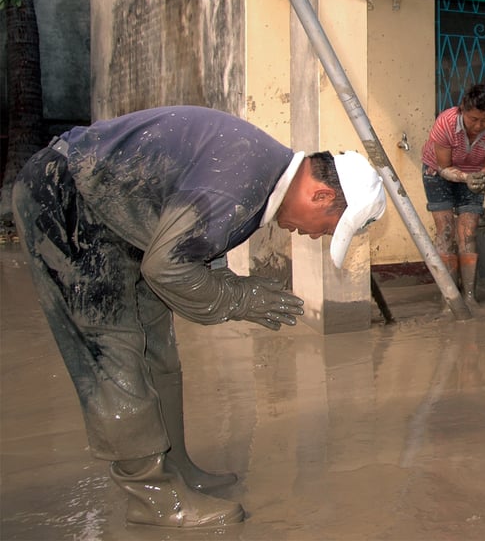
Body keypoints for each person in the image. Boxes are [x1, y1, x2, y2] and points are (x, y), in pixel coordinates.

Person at [12, 105, 387, 528]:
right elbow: (167, 268)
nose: (317, 235)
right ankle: (151, 496)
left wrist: (227, 286)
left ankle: (175, 467)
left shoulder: (260, 172)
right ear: (319, 194)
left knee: (159, 350)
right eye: (329, 226)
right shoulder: (244, 181)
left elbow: (198, 245)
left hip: (117, 214)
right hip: (67, 197)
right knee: (113, 350)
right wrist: (238, 298)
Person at [421, 83, 485, 307]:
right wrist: (466, 178)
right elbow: (444, 167)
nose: (478, 126)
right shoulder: (446, 122)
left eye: (484, 120)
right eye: (473, 119)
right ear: (462, 110)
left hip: (474, 174)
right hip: (437, 173)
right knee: (446, 230)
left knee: (468, 232)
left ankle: (469, 295)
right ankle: (449, 295)